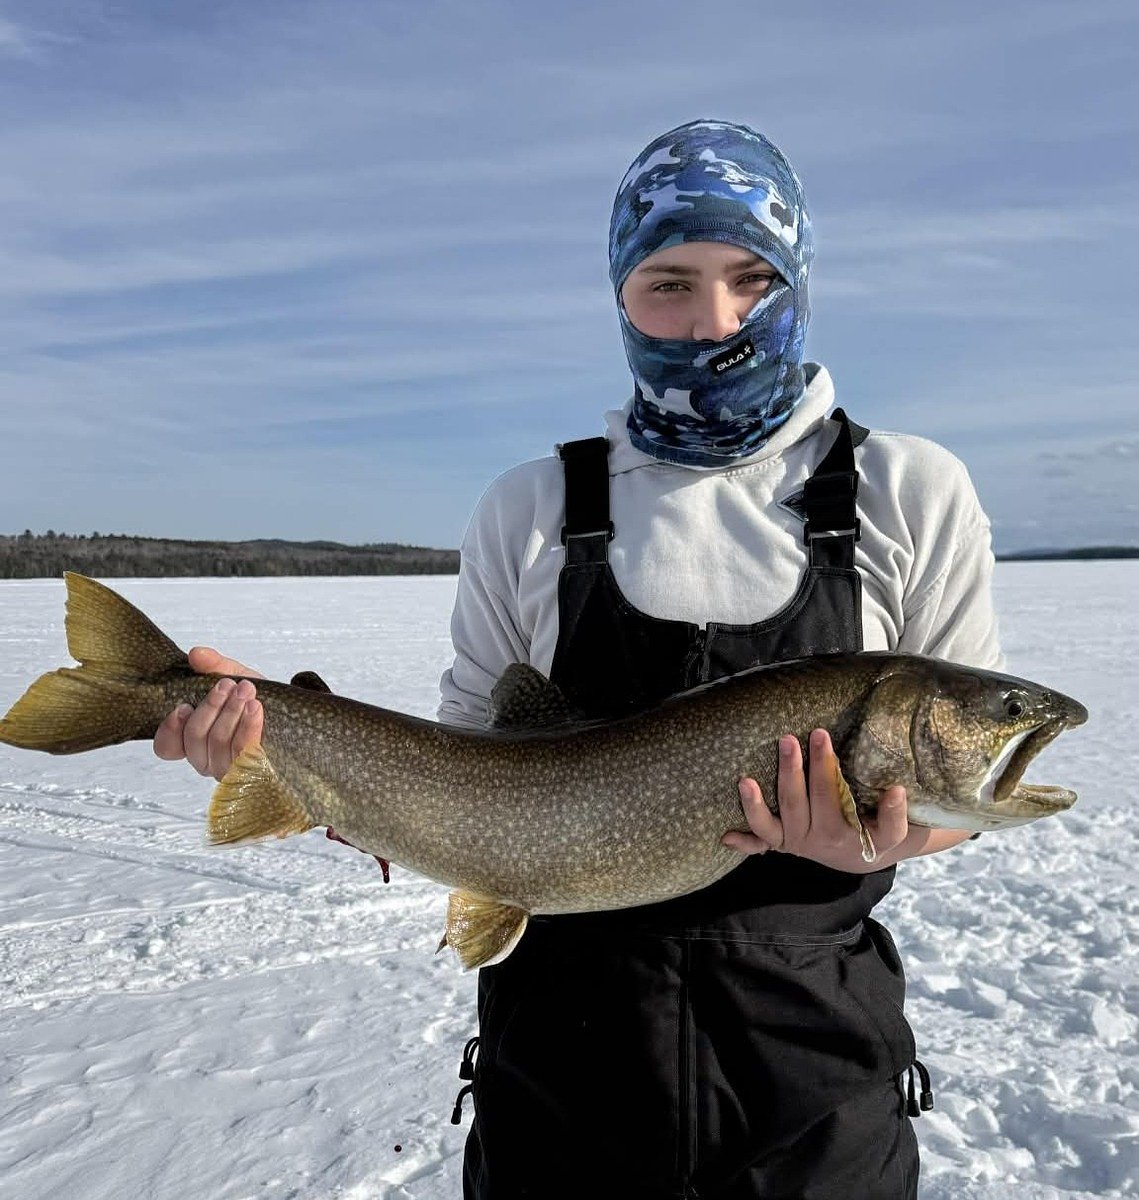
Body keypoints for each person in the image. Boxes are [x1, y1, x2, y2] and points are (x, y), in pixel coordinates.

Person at [156, 119, 1002, 1199]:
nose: (714, 322)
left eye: (753, 278)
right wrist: (286, 750)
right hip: (560, 1087)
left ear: (803, 279)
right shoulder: (533, 508)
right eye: (668, 284)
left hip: (812, 1100)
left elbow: (955, 798)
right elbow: (459, 781)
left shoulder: (906, 493)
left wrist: (873, 843)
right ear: (616, 294)